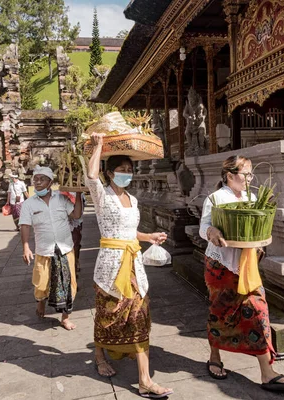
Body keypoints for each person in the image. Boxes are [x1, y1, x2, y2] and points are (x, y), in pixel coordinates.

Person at [85, 133, 173, 399]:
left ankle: (144, 379)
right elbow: (91, 177)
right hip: (110, 266)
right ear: (110, 173)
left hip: (134, 264)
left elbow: (129, 231)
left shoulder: (133, 200)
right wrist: (99, 147)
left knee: (139, 316)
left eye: (129, 170)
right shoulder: (102, 197)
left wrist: (150, 237)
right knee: (108, 312)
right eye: (121, 170)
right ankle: (100, 356)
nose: (127, 174)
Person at [199, 155, 284, 392]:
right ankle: (214, 356)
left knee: (258, 310)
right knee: (220, 312)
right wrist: (212, 231)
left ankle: (267, 372)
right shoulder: (215, 198)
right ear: (230, 175)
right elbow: (204, 227)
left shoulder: (253, 198)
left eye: (251, 174)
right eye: (245, 174)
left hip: (247, 266)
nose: (249, 179)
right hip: (221, 266)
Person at [19, 166, 83, 330]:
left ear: (50, 182)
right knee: (41, 283)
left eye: (42, 179)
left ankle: (65, 318)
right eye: (36, 179)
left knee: (68, 285)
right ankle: (40, 302)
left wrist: (78, 193)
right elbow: (25, 226)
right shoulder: (29, 204)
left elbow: (76, 215)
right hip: (44, 250)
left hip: (65, 248)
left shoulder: (61, 199)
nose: (38, 182)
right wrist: (26, 247)